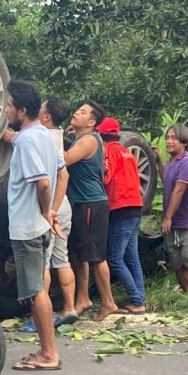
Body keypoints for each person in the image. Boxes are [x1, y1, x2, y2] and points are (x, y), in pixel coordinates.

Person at [5, 81, 67, 371]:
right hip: (39, 227)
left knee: (35, 290)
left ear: (23, 110)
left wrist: (45, 211)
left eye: (8, 105)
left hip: (28, 228)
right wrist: (53, 212)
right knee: (38, 287)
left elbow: (42, 182)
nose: (5, 109)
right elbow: (61, 175)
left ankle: (49, 355)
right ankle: (46, 350)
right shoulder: (44, 136)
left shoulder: (29, 141)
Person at [19, 97, 77, 331]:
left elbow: (14, 138)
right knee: (61, 259)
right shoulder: (58, 135)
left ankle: (39, 318)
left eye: (40, 110)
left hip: (48, 207)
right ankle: (70, 308)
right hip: (63, 205)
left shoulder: (39, 137)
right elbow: (65, 175)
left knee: (42, 263)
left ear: (46, 117)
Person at [64, 101, 120, 321]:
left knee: (96, 256)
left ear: (92, 122)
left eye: (83, 112)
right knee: (80, 255)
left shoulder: (88, 140)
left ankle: (108, 302)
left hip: (91, 204)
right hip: (81, 203)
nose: (77, 112)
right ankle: (83, 298)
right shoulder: (82, 138)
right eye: (78, 109)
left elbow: (66, 159)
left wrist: (51, 136)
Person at [97, 117, 146, 315]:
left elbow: (106, 177)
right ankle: (139, 300)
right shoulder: (128, 153)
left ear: (101, 135)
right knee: (132, 257)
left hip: (121, 207)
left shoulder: (109, 151)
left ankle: (136, 298)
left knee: (115, 258)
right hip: (136, 206)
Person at [153, 123, 188, 292]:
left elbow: (179, 190)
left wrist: (167, 217)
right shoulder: (171, 162)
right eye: (167, 138)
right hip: (174, 220)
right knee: (176, 263)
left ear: (184, 142)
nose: (169, 141)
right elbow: (167, 179)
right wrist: (159, 161)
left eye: (173, 138)